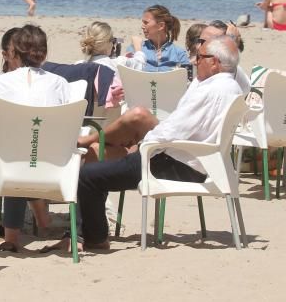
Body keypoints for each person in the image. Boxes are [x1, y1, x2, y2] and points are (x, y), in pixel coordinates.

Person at [66, 35, 244, 251]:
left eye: (200, 57)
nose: (195, 61)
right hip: (196, 161)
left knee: (88, 176)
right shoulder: (230, 87)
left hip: (175, 164)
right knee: (104, 159)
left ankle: (95, 238)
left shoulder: (210, 91)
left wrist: (141, 147)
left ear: (214, 62)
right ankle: (87, 230)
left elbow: (174, 130)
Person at [0, 24, 69, 252]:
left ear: (14, 52)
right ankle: (63, 228)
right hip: (53, 167)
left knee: (15, 150)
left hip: (10, 168)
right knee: (29, 148)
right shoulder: (60, 83)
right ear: (44, 53)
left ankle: (11, 238)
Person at [129, 5, 189, 72]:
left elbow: (187, 79)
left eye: (146, 23)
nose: (142, 26)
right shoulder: (135, 48)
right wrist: (138, 51)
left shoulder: (179, 54)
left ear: (161, 26)